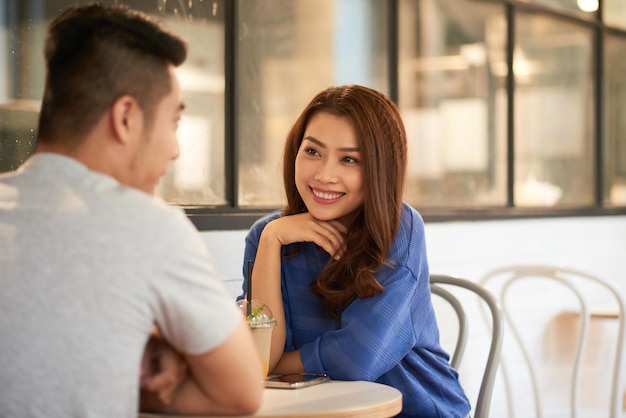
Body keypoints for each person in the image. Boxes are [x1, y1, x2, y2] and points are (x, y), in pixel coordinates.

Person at [0, 4, 263, 417]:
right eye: (173, 122)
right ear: (126, 117)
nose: (175, 150)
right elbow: (240, 393)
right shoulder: (149, 226)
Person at [240, 84, 471, 417]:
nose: (324, 174)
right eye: (312, 151)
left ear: (380, 169)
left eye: (349, 159)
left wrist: (278, 364)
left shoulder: (399, 228)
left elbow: (356, 360)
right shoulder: (268, 236)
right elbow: (256, 360)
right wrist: (272, 240)